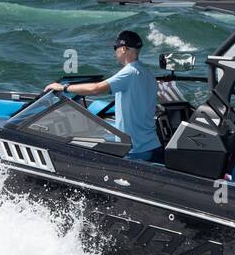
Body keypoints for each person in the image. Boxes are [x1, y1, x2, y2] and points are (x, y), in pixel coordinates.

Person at [45, 30, 161, 162]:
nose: (114, 52)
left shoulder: (129, 72)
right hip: (152, 144)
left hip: (136, 149)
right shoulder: (148, 74)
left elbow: (96, 89)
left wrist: (63, 87)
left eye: (115, 48)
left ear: (123, 49)